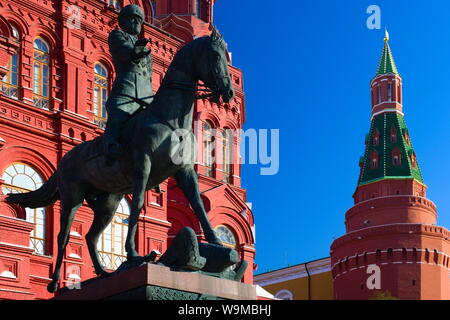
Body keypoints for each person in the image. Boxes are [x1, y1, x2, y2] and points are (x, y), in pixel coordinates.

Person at [103, 4, 153, 160]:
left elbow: (149, 77)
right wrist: (135, 51)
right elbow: (124, 51)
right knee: (117, 116)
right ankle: (110, 146)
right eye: (133, 19)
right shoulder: (117, 35)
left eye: (139, 20)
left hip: (146, 97)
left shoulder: (146, 48)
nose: (136, 22)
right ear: (123, 20)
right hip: (126, 92)